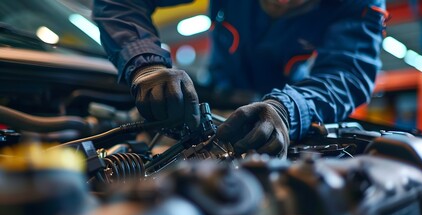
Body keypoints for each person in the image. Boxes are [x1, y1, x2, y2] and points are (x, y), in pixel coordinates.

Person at [92, 0, 387, 158]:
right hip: (220, 91)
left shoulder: (358, 3)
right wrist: (147, 66)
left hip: (291, 107)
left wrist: (288, 110)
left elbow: (348, 73)